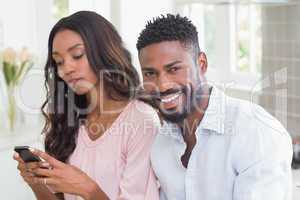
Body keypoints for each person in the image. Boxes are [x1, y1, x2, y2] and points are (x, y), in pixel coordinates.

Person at [136, 14, 293, 200]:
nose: (162, 85)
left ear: (201, 64)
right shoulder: (161, 143)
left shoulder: (256, 131)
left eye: (174, 69)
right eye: (150, 73)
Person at [13, 11, 160, 200]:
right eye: (59, 61)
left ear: (105, 51)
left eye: (77, 55)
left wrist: (87, 189)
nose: (66, 69)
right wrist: (36, 181)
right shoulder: (68, 120)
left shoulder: (140, 119)